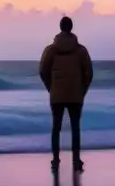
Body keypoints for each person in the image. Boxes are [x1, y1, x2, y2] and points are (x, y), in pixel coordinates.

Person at [39, 15, 93, 173]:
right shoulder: (81, 51)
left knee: (56, 128)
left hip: (57, 94)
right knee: (75, 128)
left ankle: (55, 160)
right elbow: (89, 73)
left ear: (60, 27)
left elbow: (42, 71)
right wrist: (82, 90)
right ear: (71, 28)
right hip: (76, 95)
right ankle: (76, 161)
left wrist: (51, 87)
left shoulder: (50, 50)